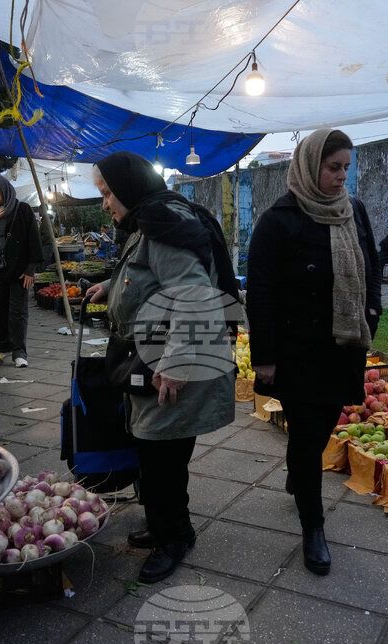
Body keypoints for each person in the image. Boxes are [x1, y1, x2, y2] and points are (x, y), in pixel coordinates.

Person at [86, 151, 237, 584]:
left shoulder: (163, 227)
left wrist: (174, 365)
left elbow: (192, 295)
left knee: (163, 457)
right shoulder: (149, 223)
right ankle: (165, 525)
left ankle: (175, 537)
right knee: (156, 453)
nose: (105, 203)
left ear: (129, 188)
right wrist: (110, 285)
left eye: (107, 193)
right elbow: (146, 276)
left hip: (174, 361)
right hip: (153, 357)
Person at [246, 129, 381, 576]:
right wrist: (264, 356)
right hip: (297, 349)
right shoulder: (278, 220)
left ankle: (296, 472)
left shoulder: (353, 211)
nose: (342, 176)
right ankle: (313, 526)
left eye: (346, 166)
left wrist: (370, 319)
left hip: (342, 346)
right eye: (332, 167)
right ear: (308, 166)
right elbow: (260, 292)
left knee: (322, 426)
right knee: (307, 437)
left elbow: (371, 267)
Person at [0, 174, 43, 367]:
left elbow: (33, 238)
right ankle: (5, 343)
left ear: (2, 189)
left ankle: (19, 351)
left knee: (18, 311)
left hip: (19, 269)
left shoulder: (22, 209)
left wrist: (31, 268)